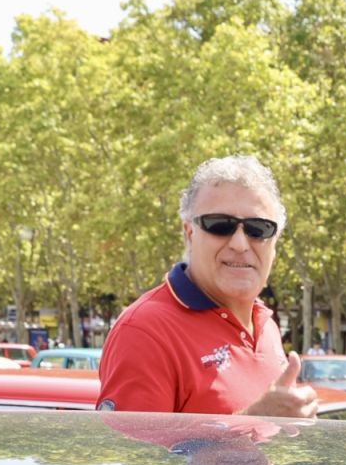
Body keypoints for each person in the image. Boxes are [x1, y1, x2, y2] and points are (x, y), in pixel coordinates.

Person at [97, 155, 317, 418]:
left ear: (275, 240)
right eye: (219, 225)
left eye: (258, 229)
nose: (240, 244)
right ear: (189, 233)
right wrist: (254, 422)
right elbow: (135, 458)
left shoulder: (266, 324)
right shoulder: (144, 331)